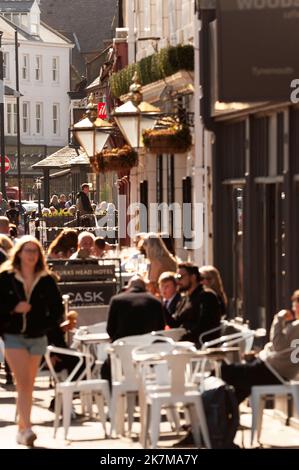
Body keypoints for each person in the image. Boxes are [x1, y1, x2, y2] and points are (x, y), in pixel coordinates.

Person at [0, 236, 64, 446]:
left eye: (35, 251)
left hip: (37, 336)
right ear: (19, 253)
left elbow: (57, 310)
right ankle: (27, 429)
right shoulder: (6, 277)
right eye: (27, 251)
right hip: (13, 336)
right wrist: (12, 309)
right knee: (23, 381)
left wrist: (42, 321)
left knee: (28, 383)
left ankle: (22, 428)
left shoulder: (46, 279)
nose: (32, 255)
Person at [222, 290, 299, 404]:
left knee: (223, 371)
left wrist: (279, 318)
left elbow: (278, 345)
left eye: (294, 305)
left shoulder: (297, 326)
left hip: (271, 372)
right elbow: (284, 350)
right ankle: (221, 415)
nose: (293, 309)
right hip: (273, 371)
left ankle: (210, 412)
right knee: (241, 388)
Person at [166, 263, 221, 346]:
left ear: (193, 277)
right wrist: (160, 306)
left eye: (180, 277)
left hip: (199, 344)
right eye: (177, 277)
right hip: (183, 342)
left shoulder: (207, 296)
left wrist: (180, 340)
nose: (177, 281)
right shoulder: (185, 298)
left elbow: (204, 327)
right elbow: (175, 323)